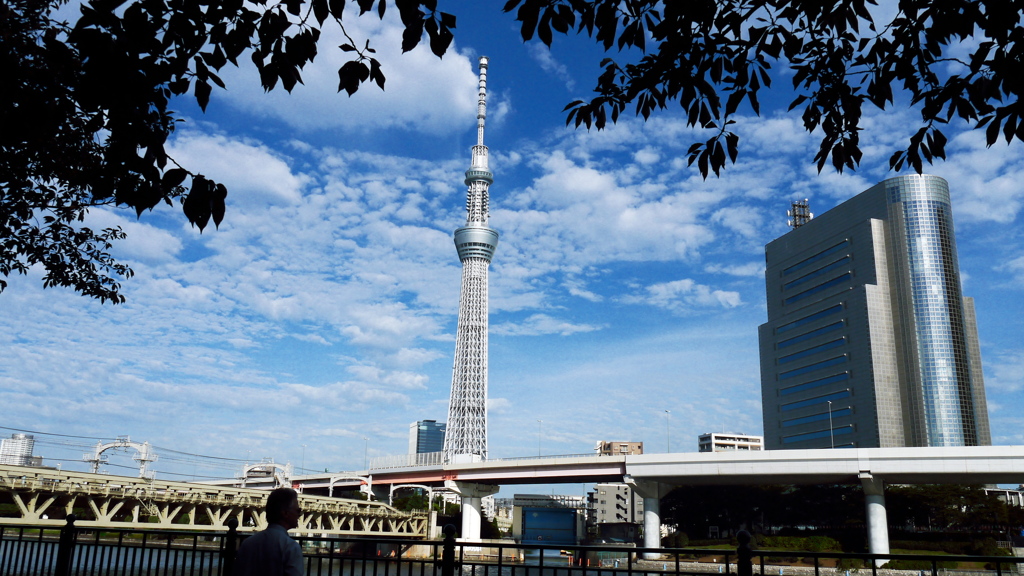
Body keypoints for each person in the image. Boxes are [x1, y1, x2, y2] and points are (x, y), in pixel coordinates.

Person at [234, 487, 304, 576]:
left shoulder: (247, 543)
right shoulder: (291, 547)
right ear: (285, 513)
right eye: (298, 510)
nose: (300, 514)